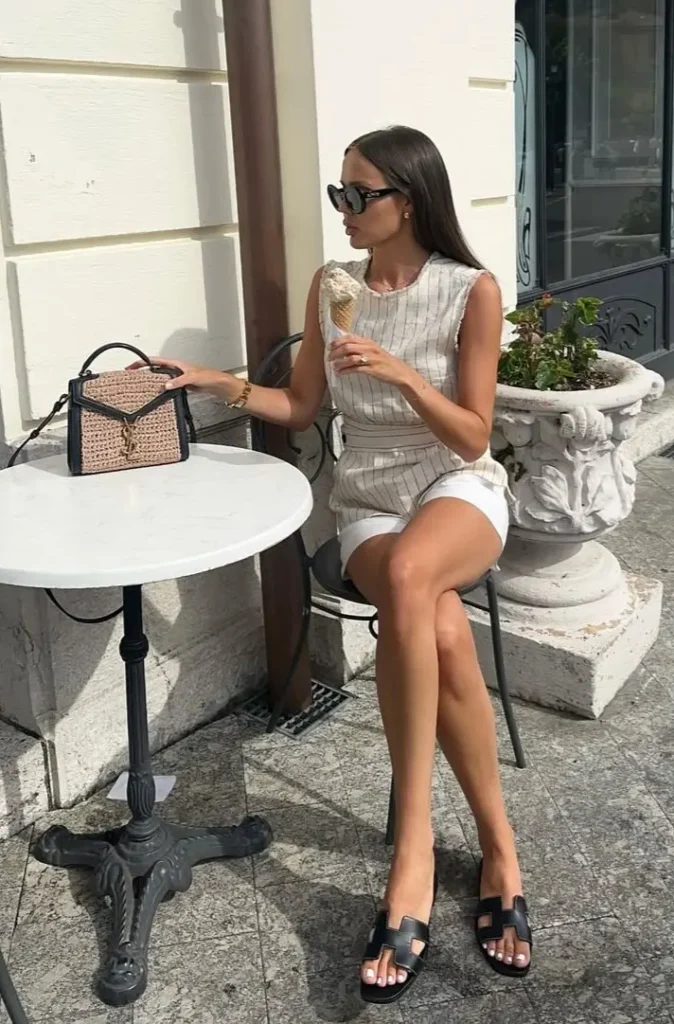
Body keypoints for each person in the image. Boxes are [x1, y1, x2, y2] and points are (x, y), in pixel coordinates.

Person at [137, 125, 532, 1001]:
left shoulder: (470, 290)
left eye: (360, 195)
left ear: (408, 200)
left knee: (412, 581)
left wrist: (402, 376)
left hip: (457, 484)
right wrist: (218, 382)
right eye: (338, 193)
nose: (344, 210)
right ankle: (499, 847)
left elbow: (474, 435)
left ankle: (413, 848)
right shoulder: (333, 285)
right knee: (435, 623)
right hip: (371, 500)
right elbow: (302, 403)